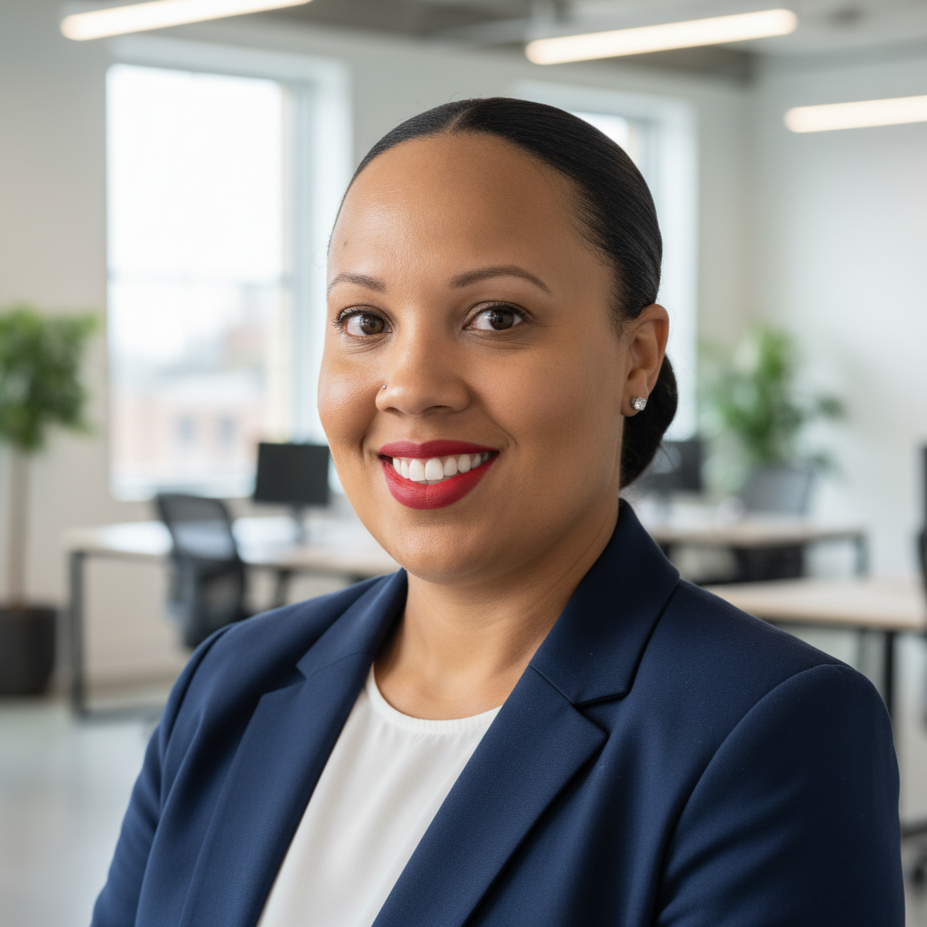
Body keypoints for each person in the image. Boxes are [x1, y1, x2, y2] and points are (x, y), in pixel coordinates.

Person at [91, 98, 903, 927]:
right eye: (365, 320)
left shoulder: (768, 728)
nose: (409, 385)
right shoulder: (228, 682)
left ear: (637, 356)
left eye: (496, 317)